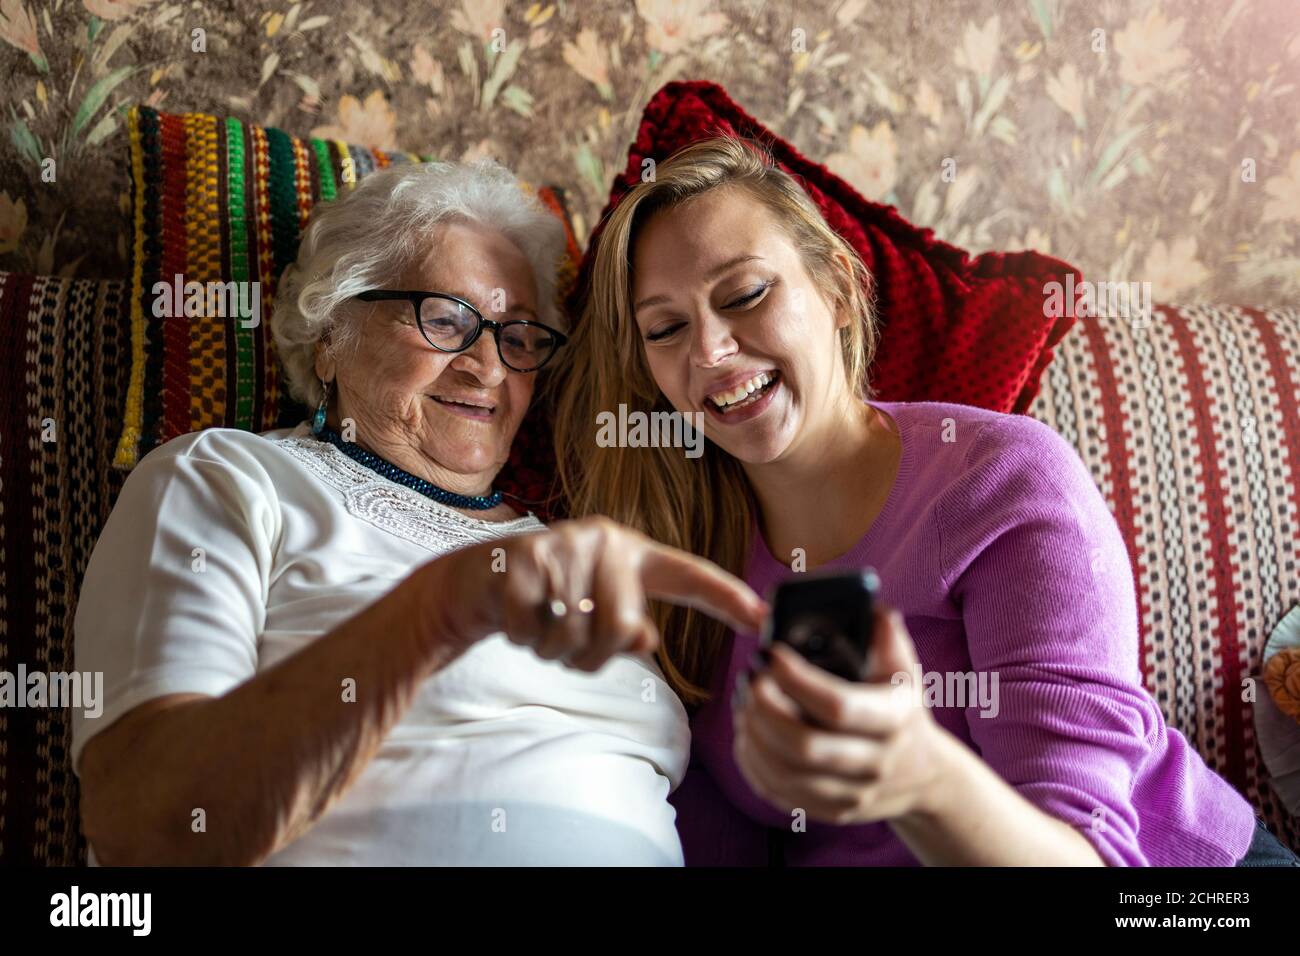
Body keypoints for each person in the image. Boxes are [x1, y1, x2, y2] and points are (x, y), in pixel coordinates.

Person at [553, 136, 1289, 866]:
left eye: (745, 294)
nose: (709, 351)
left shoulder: (1002, 481)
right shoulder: (679, 546)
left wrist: (916, 775)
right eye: (667, 327)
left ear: (837, 290)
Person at [71, 159, 765, 867]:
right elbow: (145, 823)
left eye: (518, 336)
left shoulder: (579, 546)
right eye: (445, 319)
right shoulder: (231, 479)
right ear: (331, 333)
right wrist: (436, 612)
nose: (487, 367)